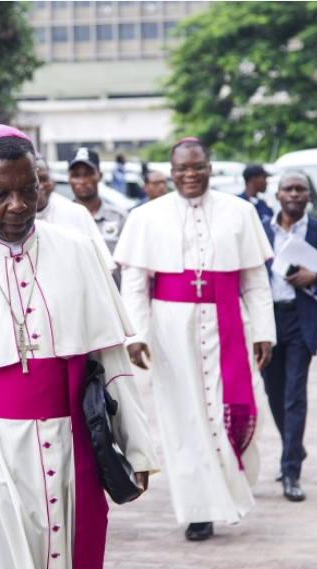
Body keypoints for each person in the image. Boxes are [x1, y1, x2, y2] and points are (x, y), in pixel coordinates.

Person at [0, 125, 158, 569]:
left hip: (69, 443)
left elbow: (110, 358)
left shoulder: (79, 251)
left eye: (28, 190)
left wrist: (137, 446)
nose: (18, 207)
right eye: (0, 194)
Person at [114, 137, 276, 542]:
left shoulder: (240, 213)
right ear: (171, 172)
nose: (190, 175)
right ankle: (199, 510)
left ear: (209, 167)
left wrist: (264, 332)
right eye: (182, 169)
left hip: (229, 324)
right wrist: (135, 335)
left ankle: (230, 492)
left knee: (237, 409)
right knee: (182, 417)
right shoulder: (147, 216)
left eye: (197, 167)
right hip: (172, 328)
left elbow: (255, 282)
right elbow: (135, 283)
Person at [261, 172, 317, 502]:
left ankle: (290, 471)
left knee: (295, 396)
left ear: (308, 196)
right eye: (288, 189)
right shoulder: (261, 230)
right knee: (274, 392)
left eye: (300, 189)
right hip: (266, 321)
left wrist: (316, 277)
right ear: (277, 195)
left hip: (300, 320)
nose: (294, 194)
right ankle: (296, 448)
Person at [35, 156, 115, 271]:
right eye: (32, 180)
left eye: (43, 179)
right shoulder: (8, 219)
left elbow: (103, 265)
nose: (39, 186)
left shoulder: (76, 213)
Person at [69, 147, 129, 257]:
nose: (82, 181)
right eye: (76, 175)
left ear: (100, 176)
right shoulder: (60, 217)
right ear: (69, 179)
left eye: (88, 174)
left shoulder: (119, 217)